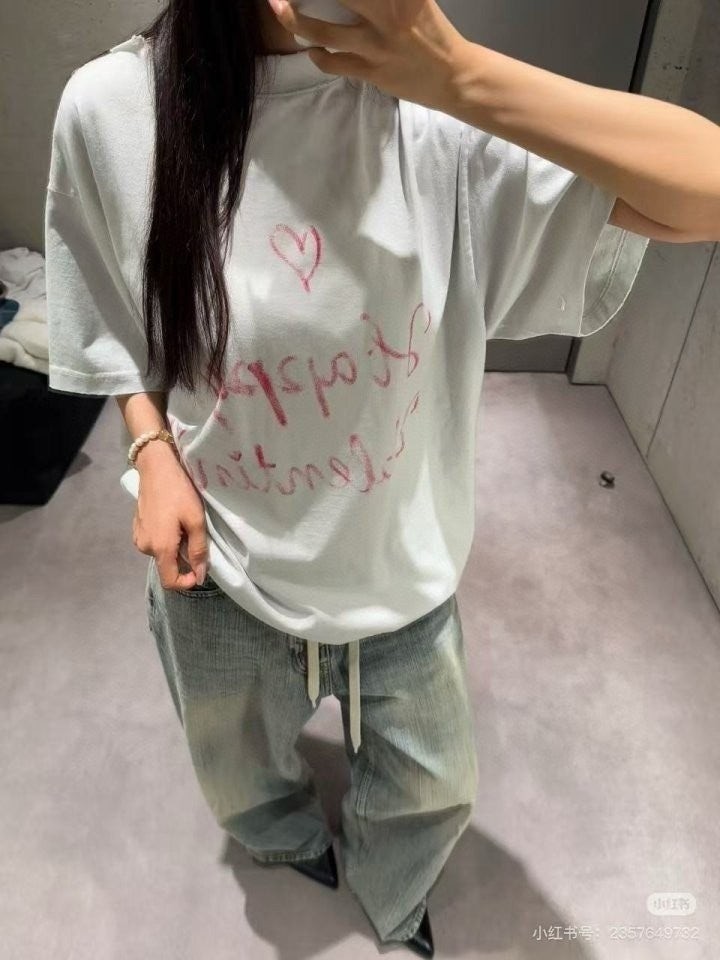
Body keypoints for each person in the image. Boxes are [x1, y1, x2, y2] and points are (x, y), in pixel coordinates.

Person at [49, 0, 713, 953]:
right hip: (222, 571)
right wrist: (150, 449)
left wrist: (461, 78)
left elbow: (705, 189)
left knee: (434, 788)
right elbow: (116, 311)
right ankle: (282, 844)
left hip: (402, 578)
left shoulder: (438, 119)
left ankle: (392, 895)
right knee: (237, 770)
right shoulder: (116, 107)